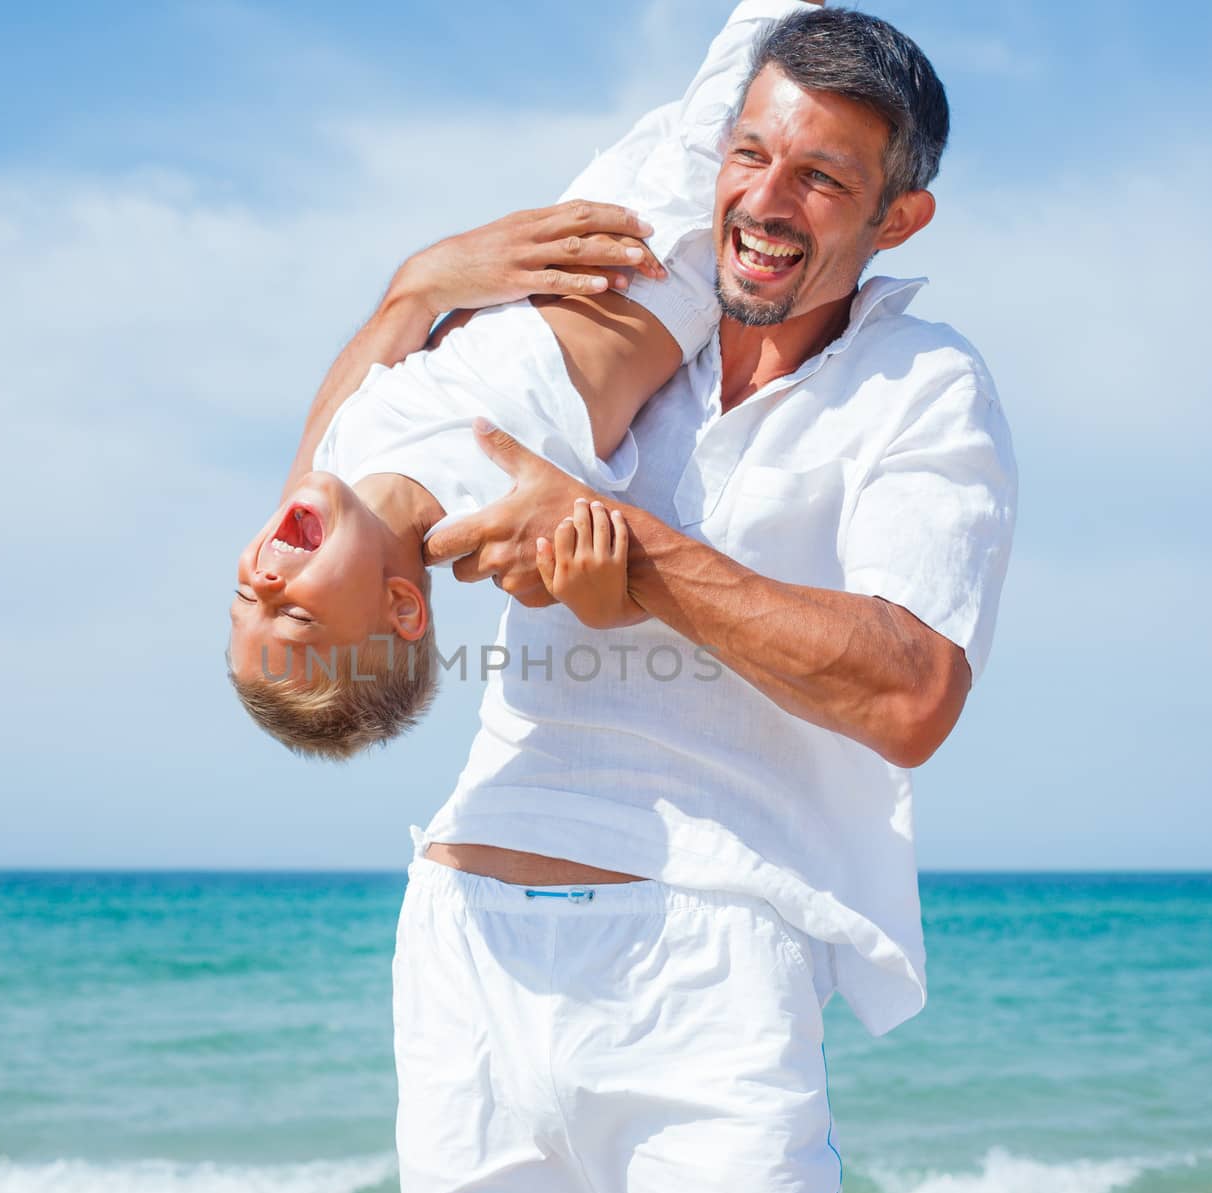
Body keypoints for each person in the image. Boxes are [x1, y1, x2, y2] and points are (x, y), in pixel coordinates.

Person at [266, 3, 1017, 1193]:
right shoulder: (595, 330)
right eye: (749, 156)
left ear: (898, 219)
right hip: (463, 951)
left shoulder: (921, 388)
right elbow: (340, 480)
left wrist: (647, 565)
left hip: (706, 955)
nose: (764, 202)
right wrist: (416, 285)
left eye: (822, 179)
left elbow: (911, 688)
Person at [226, 0, 801, 757]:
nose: (265, 584)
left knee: (724, 76)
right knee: (770, 46)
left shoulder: (336, 467)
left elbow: (315, 458)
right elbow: (590, 579)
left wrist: (427, 279)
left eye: (242, 599)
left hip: (591, 212)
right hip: (666, 258)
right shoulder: (488, 534)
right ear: (402, 606)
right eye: (295, 617)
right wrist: (599, 604)